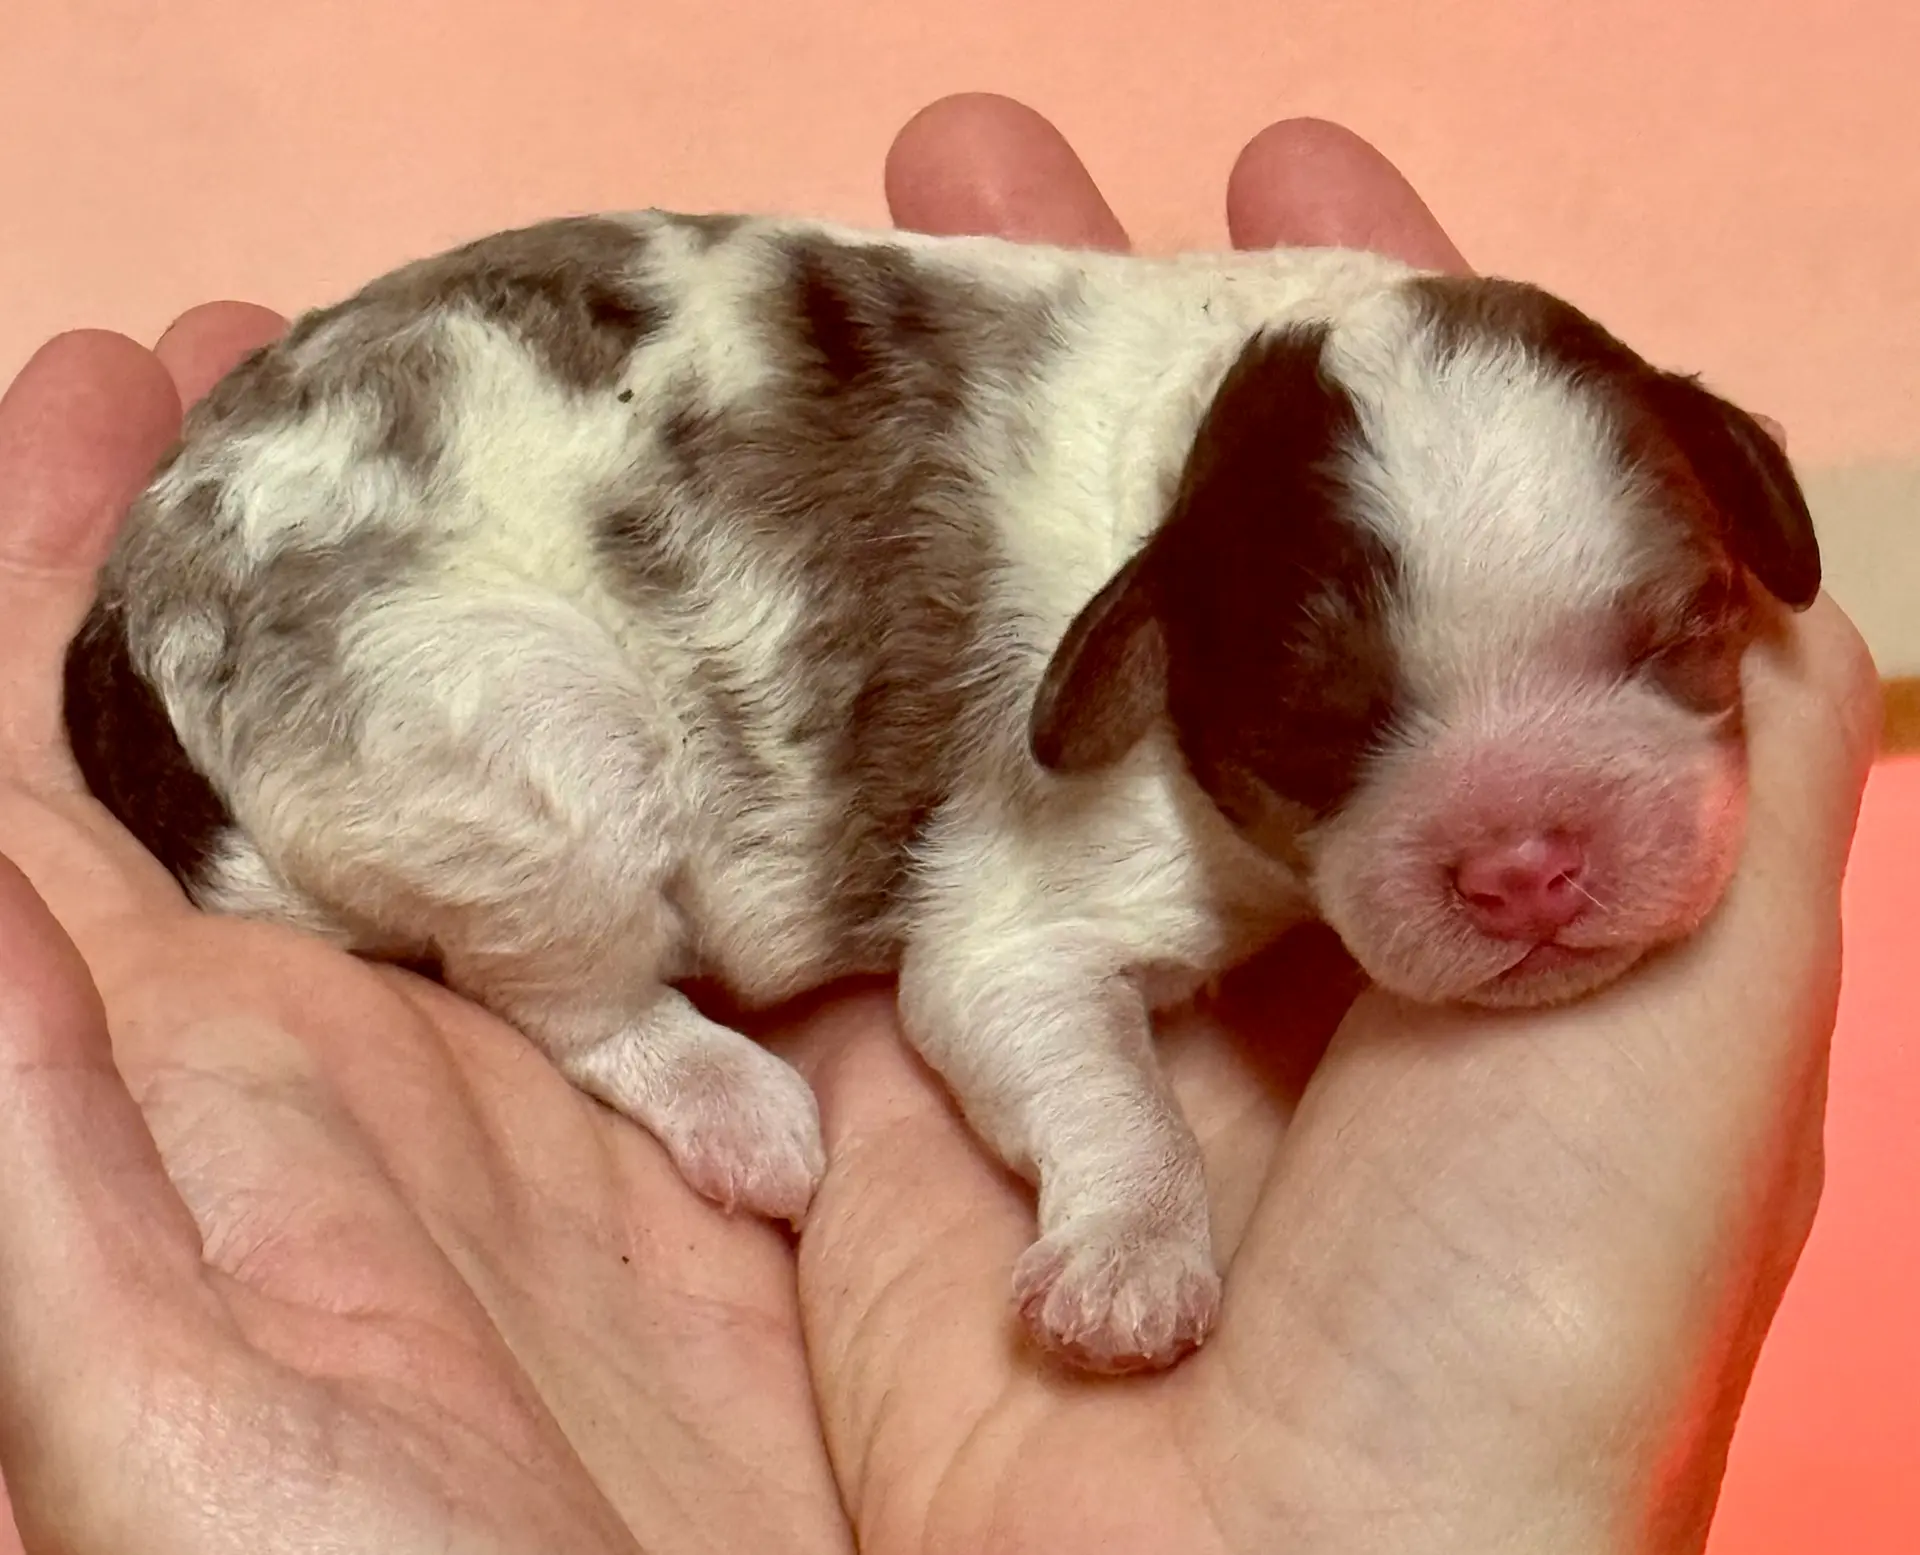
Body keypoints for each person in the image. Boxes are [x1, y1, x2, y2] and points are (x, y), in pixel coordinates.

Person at [0, 93, 1878, 1555]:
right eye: (1329, 733)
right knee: (544, 769)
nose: (1524, 865)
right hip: (365, 596)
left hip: (388, 477)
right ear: (1136, 670)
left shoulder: (1323, 487)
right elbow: (1008, 940)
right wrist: (1125, 1186)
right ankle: (597, 1020)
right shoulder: (1160, 625)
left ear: (1746, 529)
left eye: (1668, 643)